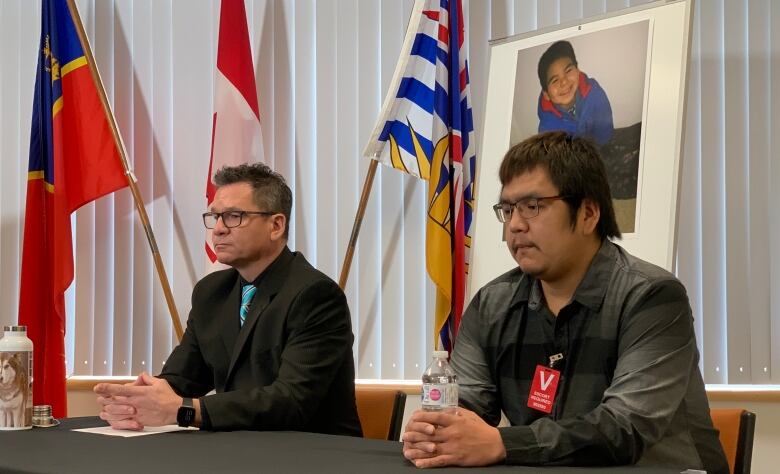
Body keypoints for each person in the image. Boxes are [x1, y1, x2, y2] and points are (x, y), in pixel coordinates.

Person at [402, 132, 728, 473]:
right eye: (508, 209)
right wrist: (436, 430)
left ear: (588, 213)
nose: (514, 225)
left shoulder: (652, 297)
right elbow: (465, 405)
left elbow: (624, 427)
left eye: (532, 206)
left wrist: (503, 443)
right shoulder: (492, 304)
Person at [94, 163, 362, 436]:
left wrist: (184, 410)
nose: (218, 229)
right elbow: (183, 379)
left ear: (276, 225)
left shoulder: (315, 295)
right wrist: (135, 401)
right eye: (215, 217)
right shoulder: (210, 292)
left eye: (234, 216)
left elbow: (291, 401)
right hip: (238, 448)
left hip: (313, 453)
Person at [537, 40, 614, 146]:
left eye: (568, 71)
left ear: (577, 70)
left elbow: (604, 129)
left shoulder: (594, 93)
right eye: (555, 80)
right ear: (546, 94)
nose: (564, 82)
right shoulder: (547, 127)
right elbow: (555, 156)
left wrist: (601, 149)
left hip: (598, 147)